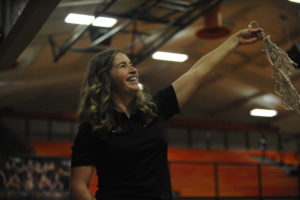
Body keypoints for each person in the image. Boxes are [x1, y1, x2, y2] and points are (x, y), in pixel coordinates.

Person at [70, 26, 263, 200]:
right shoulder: (92, 127)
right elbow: (78, 187)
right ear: (105, 78)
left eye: (131, 64)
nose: (133, 70)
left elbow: (198, 71)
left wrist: (235, 39)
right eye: (123, 66)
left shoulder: (154, 108)